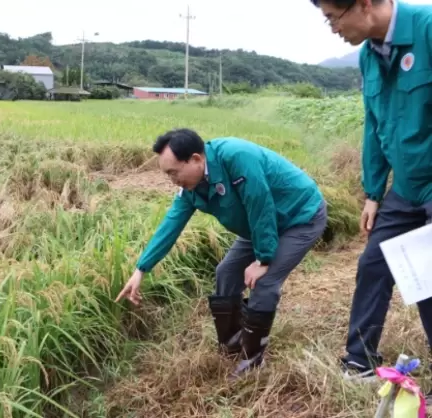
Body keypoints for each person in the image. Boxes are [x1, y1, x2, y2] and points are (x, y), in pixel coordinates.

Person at [115, 128, 328, 375]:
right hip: (257, 225)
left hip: (299, 216)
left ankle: (253, 359)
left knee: (265, 281)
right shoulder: (192, 188)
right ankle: (232, 342)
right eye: (167, 175)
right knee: (226, 272)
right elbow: (170, 225)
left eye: (174, 172)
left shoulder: (236, 156)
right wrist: (141, 269)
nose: (172, 180)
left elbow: (261, 204)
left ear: (196, 159)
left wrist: (262, 258)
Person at [310, 0, 432, 383]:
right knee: (374, 264)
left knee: (428, 274)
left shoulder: (427, 28)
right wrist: (374, 192)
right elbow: (374, 125)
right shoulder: (369, 55)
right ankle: (360, 360)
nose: (332, 28)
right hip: (407, 188)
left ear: (363, 4)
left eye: (333, 17)